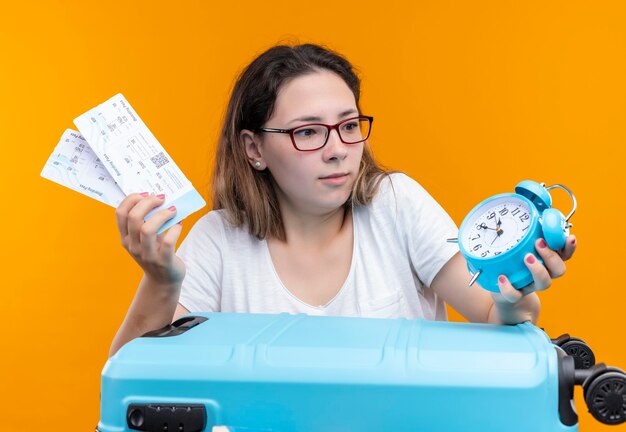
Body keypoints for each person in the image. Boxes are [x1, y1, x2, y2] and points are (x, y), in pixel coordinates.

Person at [109, 43, 576, 357]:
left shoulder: (397, 203)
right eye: (308, 131)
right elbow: (134, 380)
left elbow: (496, 312)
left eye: (348, 125)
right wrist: (159, 281)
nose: (338, 149)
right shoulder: (217, 240)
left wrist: (518, 299)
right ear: (254, 149)